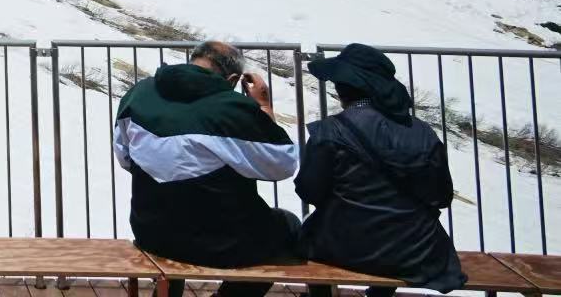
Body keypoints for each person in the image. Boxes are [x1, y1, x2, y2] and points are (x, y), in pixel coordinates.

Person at [114, 40, 300, 297]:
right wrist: (264, 108)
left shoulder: (139, 94)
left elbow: (125, 157)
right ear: (232, 79)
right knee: (288, 225)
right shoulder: (232, 109)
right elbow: (282, 164)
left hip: (151, 232)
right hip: (219, 243)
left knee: (175, 207)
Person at [298, 43, 464, 297]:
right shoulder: (424, 133)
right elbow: (441, 196)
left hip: (341, 247)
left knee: (306, 234)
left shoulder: (330, 132)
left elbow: (309, 190)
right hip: (415, 253)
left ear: (342, 89)